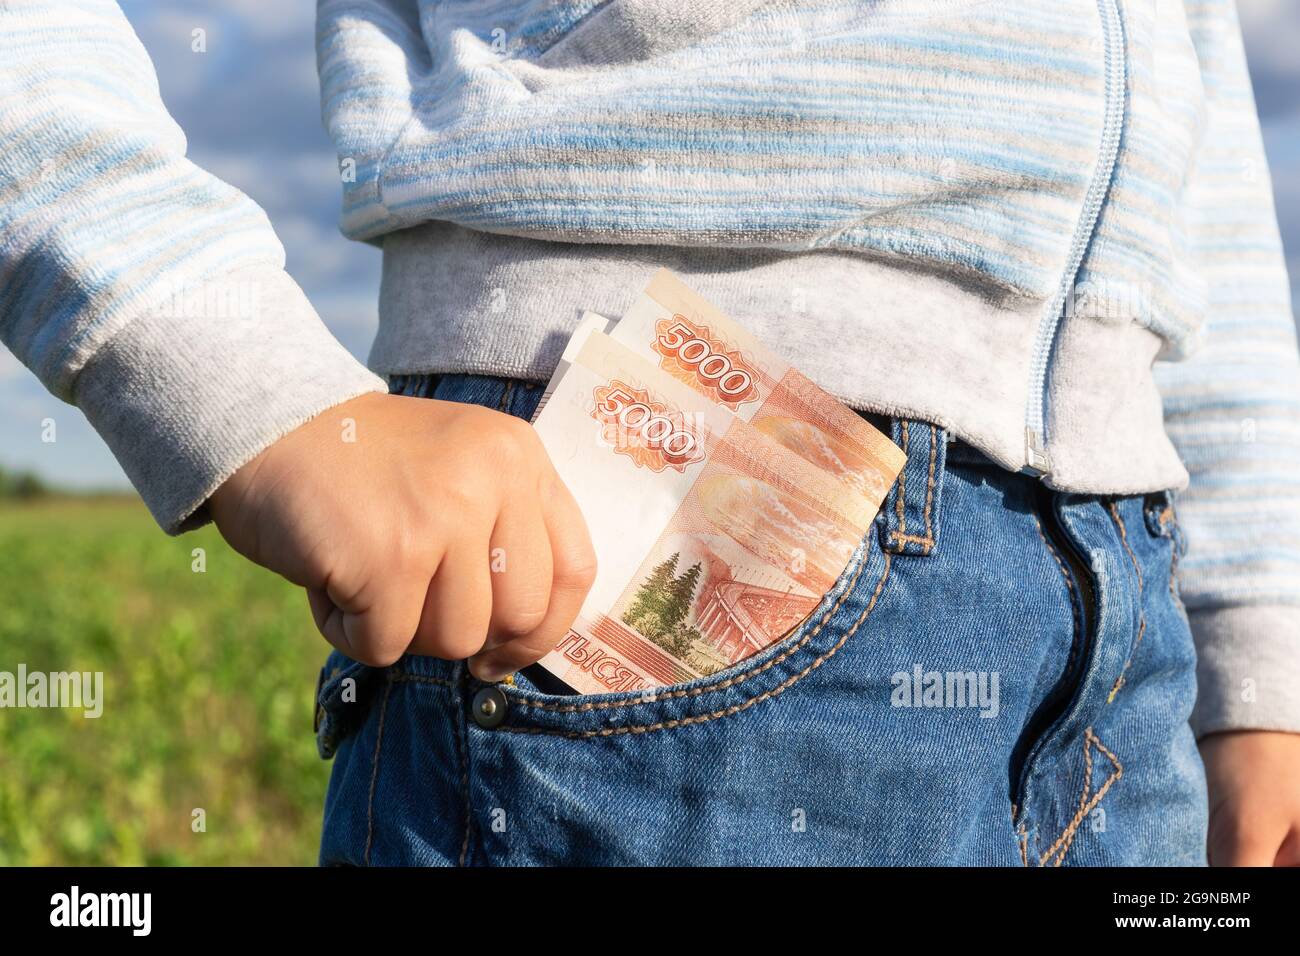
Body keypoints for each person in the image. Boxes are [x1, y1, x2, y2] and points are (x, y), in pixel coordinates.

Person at [2, 0, 1297, 865]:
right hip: (642, 523)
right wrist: (218, 361)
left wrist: (1259, 669)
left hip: (1130, 622)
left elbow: (1202, 146)